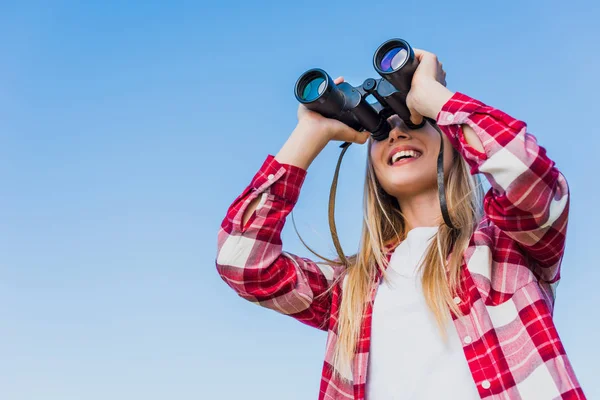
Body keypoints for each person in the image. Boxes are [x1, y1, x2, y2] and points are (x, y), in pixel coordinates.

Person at [215, 48, 585, 399]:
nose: (396, 133)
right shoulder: (351, 290)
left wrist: (434, 97)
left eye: (414, 121)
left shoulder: (508, 249)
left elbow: (529, 176)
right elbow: (243, 263)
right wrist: (310, 133)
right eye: (381, 131)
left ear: (455, 144)